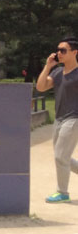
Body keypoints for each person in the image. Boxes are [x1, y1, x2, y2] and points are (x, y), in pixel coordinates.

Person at [36, 37, 78, 203]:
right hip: (59, 118)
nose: (59, 53)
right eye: (58, 50)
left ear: (75, 52)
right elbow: (40, 87)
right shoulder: (57, 73)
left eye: (63, 50)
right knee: (63, 156)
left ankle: (62, 193)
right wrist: (48, 66)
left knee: (60, 156)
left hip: (74, 118)